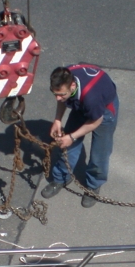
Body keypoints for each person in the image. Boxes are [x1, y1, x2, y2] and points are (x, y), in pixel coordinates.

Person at [41, 64, 119, 208]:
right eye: (55, 94)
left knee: (99, 152)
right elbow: (62, 99)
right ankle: (61, 178)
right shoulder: (65, 78)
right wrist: (58, 120)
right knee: (66, 148)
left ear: (72, 86)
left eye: (61, 94)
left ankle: (94, 185)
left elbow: (96, 121)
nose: (58, 98)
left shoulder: (92, 98)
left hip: (104, 111)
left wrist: (72, 137)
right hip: (80, 103)